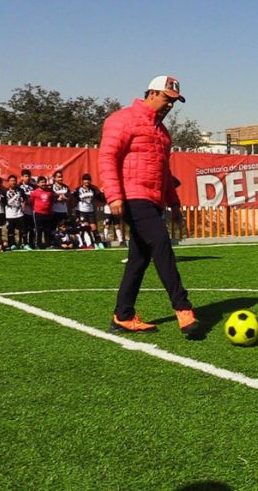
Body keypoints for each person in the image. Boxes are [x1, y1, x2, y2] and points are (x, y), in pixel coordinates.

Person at [98, 74, 198, 335]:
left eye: (174, 101)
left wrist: (174, 205)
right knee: (161, 244)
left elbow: (164, 172)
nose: (170, 105)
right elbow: (107, 158)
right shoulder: (122, 120)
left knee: (139, 260)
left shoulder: (163, 134)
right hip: (132, 196)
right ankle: (183, 309)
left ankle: (123, 315)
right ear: (152, 94)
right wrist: (114, 195)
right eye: (167, 99)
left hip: (153, 200)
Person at [74, 173, 106, 249]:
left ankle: (99, 243)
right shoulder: (78, 189)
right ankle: (88, 243)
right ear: (82, 181)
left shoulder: (93, 188)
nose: (87, 181)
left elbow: (100, 196)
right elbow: (73, 200)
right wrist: (76, 214)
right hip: (81, 211)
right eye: (85, 180)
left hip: (90, 210)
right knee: (85, 227)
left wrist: (106, 196)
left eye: (88, 180)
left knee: (93, 227)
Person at [30, 176, 54, 249]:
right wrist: (36, 209)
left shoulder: (49, 191)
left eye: (44, 182)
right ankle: (38, 244)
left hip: (47, 213)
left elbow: (52, 201)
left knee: (47, 230)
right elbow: (31, 202)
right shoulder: (34, 192)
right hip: (38, 213)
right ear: (38, 183)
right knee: (38, 230)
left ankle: (47, 244)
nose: (44, 184)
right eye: (42, 182)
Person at [3, 174, 27, 250]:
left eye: (14, 181)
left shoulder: (20, 190)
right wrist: (16, 196)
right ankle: (12, 244)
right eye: (11, 181)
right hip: (10, 214)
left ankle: (24, 244)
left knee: (23, 230)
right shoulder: (5, 191)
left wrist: (23, 205)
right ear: (8, 182)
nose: (13, 182)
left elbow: (24, 199)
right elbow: (7, 203)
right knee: (11, 231)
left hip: (19, 213)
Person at [18, 169, 36, 250]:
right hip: (22, 211)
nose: (27, 178)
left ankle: (31, 243)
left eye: (28, 176)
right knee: (23, 228)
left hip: (32, 211)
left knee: (32, 228)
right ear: (22, 177)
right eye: (25, 176)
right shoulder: (18, 187)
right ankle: (23, 243)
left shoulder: (33, 187)